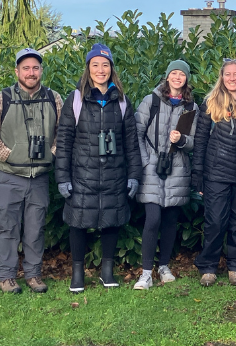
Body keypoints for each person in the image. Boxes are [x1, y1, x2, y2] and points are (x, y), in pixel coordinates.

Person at [55, 43, 143, 293]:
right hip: (82, 174)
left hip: (114, 174)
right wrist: (62, 177)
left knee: (111, 221)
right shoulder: (75, 99)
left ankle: (107, 272)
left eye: (105, 65)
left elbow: (131, 143)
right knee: (78, 222)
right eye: (95, 65)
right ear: (88, 68)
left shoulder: (122, 101)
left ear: (111, 69)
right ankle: (77, 274)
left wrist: (134, 175)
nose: (100, 70)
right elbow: (64, 141)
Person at [0, 47, 63, 294]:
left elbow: (62, 134)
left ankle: (33, 274)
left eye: (35, 68)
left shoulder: (54, 98)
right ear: (17, 71)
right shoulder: (2, 98)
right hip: (9, 176)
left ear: (41, 71)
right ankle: (6, 276)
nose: (31, 72)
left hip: (40, 177)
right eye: (26, 68)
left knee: (36, 229)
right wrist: (10, 156)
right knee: (7, 228)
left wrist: (52, 153)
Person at [132, 60, 200, 290]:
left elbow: (194, 142)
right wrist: (145, 162)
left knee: (171, 220)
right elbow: (136, 133)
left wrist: (181, 140)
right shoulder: (150, 101)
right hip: (152, 167)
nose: (178, 77)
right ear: (167, 76)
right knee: (152, 219)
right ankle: (146, 273)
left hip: (177, 168)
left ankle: (164, 266)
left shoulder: (191, 107)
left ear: (187, 79)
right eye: (174, 73)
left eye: (182, 74)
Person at [191, 58, 236, 287]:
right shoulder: (210, 103)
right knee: (215, 222)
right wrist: (197, 172)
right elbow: (200, 140)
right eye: (228, 74)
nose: (232, 78)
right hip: (216, 172)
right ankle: (208, 266)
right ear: (221, 77)